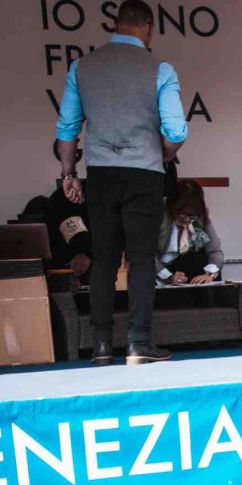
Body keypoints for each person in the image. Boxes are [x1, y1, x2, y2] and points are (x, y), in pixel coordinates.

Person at [55, 0, 188, 365]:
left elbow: (67, 127)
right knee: (141, 259)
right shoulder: (160, 69)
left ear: (115, 25)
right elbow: (176, 131)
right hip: (144, 172)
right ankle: (138, 344)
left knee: (104, 259)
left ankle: (100, 345)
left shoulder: (83, 66)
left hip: (101, 172)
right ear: (149, 28)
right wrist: (162, 155)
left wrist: (69, 174)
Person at [157, 180, 224, 286]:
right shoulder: (159, 215)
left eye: (192, 216)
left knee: (199, 261)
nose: (188, 219)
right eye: (183, 214)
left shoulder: (200, 216)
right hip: (162, 268)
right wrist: (169, 277)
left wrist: (209, 275)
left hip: (189, 267)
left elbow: (215, 250)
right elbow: (147, 256)